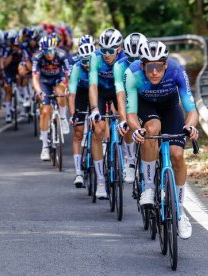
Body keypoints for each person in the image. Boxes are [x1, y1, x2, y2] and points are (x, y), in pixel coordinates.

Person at [125, 39, 199, 239]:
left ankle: (181, 213)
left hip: (170, 107)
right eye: (150, 67)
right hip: (146, 106)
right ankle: (148, 188)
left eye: (159, 66)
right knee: (152, 129)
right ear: (143, 65)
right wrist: (136, 129)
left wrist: (190, 126)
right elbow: (130, 113)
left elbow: (191, 109)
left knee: (176, 155)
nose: (155, 72)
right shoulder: (133, 74)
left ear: (165, 64)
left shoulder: (176, 70)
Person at [88, 28, 126, 199]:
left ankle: (129, 160)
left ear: (119, 49)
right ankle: (101, 181)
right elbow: (93, 85)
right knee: (98, 129)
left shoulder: (125, 58)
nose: (106, 54)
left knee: (128, 123)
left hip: (120, 92)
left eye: (110, 51)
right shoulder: (95, 57)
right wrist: (95, 108)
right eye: (103, 50)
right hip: (102, 94)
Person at [113, 32, 147, 184]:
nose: (133, 62)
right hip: (127, 95)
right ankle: (131, 161)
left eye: (137, 58)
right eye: (130, 58)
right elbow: (121, 94)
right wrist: (123, 119)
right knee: (127, 123)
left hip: (146, 95)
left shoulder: (151, 62)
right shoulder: (119, 66)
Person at [32, 35, 71, 161]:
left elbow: (68, 74)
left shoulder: (62, 55)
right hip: (44, 82)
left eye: (52, 50)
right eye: (47, 51)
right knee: (44, 111)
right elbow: (35, 77)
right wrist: (38, 91)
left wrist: (69, 87)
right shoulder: (37, 58)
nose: (50, 54)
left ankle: (63, 118)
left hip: (58, 79)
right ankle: (45, 147)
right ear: (42, 51)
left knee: (61, 91)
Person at [68, 39, 95, 188]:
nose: (87, 63)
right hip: (80, 95)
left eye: (89, 60)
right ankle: (78, 172)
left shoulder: (99, 66)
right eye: (84, 60)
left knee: (102, 124)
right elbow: (71, 95)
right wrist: (73, 115)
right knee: (78, 132)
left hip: (96, 94)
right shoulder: (76, 68)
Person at [0, 29, 23, 123]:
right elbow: (4, 63)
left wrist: (20, 53)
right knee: (8, 89)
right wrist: (12, 55)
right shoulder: (6, 48)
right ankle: (8, 113)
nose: (15, 47)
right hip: (9, 70)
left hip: (18, 69)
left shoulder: (22, 47)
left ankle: (22, 95)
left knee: (22, 76)